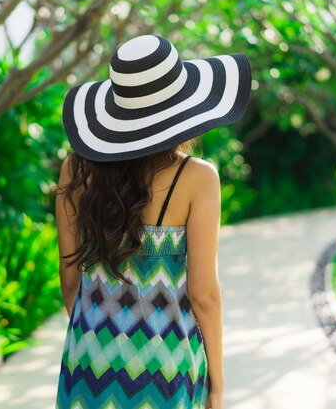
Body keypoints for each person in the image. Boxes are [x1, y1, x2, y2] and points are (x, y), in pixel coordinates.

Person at [53, 34, 251, 409]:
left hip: (87, 362)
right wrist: (218, 383)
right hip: (167, 371)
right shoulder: (197, 179)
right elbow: (203, 296)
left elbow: (69, 280)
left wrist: (103, 342)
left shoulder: (74, 170)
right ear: (183, 108)